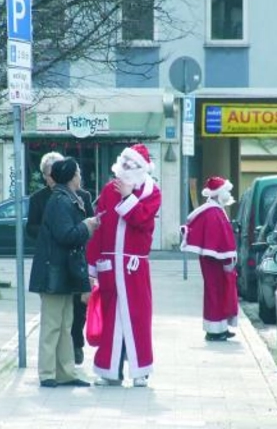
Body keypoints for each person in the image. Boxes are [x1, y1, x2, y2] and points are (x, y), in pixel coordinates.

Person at [86, 144, 162, 387]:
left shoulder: (152, 192)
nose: (126, 169)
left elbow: (141, 220)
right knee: (111, 319)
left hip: (133, 267)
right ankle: (110, 371)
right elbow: (98, 228)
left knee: (137, 318)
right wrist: (92, 265)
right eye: (125, 163)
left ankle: (141, 371)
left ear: (142, 168)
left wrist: (128, 196)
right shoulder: (109, 189)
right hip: (110, 264)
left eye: (132, 165)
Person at [28, 158, 100, 388]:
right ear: (70, 176)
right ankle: (48, 373)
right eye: (78, 173)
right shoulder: (60, 201)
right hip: (53, 272)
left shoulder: (67, 198)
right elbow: (66, 235)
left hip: (62, 271)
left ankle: (65, 372)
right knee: (52, 324)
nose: (81, 177)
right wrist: (87, 226)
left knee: (66, 323)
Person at [180, 176, 239, 341]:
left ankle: (220, 327)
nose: (228, 194)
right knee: (216, 293)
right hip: (215, 262)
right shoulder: (213, 212)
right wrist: (227, 259)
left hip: (215, 260)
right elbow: (219, 240)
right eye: (226, 191)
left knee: (219, 293)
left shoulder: (215, 210)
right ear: (218, 194)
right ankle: (214, 330)